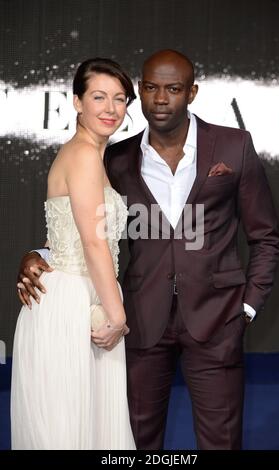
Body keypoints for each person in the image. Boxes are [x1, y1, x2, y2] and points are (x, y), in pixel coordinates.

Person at [17, 50, 279, 450]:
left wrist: (245, 308)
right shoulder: (116, 157)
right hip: (139, 322)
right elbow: (82, 227)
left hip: (216, 319)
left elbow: (266, 237)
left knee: (221, 442)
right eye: (150, 89)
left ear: (191, 93)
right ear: (140, 92)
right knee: (132, 442)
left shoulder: (233, 145)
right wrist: (39, 255)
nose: (160, 99)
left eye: (173, 89)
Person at [11, 57, 137, 450]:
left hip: (84, 297)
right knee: (69, 429)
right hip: (72, 304)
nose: (110, 109)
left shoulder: (92, 154)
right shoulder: (83, 155)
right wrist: (117, 314)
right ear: (77, 102)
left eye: (119, 99)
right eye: (98, 97)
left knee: (88, 429)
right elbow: (93, 241)